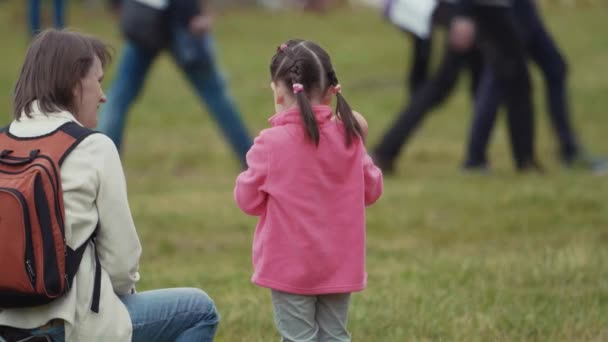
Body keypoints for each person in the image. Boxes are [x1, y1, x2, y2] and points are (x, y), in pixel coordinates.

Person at [0, 29, 219, 342]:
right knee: (198, 310)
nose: (103, 95)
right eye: (98, 80)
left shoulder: (2, 142)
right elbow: (121, 264)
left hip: (6, 327)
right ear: (76, 82)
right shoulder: (93, 147)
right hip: (70, 327)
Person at [234, 39, 383, 341]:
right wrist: (359, 143)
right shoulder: (348, 137)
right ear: (331, 89)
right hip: (340, 266)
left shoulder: (270, 143)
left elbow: (246, 200)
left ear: (277, 89)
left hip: (289, 270)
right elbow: (372, 189)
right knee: (335, 336)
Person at [97, 0, 252, 167]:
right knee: (215, 95)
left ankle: (103, 164)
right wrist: (201, 13)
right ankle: (252, 161)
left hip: (148, 16)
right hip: (181, 18)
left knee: (119, 96)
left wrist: (119, 6)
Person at [464, 0, 605, 172]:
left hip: (520, 6)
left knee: (553, 68)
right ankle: (475, 157)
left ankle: (567, 150)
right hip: (502, 7)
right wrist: (464, 13)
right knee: (501, 75)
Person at [373, 0, 483, 173]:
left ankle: (478, 156)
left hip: (450, 10)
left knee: (474, 81)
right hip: (457, 10)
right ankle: (385, 151)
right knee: (443, 84)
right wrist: (464, 15)